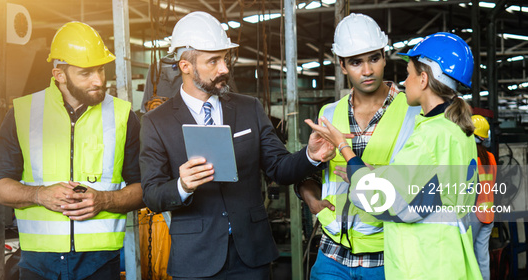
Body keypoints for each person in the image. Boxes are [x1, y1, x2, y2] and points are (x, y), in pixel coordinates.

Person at [139, 11, 335, 279]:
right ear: (185, 65)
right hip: (196, 258)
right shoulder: (156, 122)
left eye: (225, 58)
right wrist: (181, 185)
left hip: (251, 255)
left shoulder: (249, 108)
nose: (225, 69)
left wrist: (310, 156)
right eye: (213, 61)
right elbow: (151, 194)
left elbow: (279, 167)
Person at [307, 32, 482, 279]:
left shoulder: (429, 137)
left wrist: (344, 149)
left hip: (425, 261)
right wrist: (380, 173)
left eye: (409, 73)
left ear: (423, 79)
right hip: (444, 255)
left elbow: (380, 200)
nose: (404, 81)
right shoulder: (456, 130)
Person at [0, 22, 144, 280]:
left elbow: (144, 189)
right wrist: (39, 195)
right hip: (38, 263)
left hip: (101, 262)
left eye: (101, 70)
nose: (99, 80)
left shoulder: (123, 116)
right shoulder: (23, 113)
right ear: (59, 74)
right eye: (86, 73)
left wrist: (105, 200)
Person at [297, 13, 421, 280]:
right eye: (356, 62)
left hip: (385, 254)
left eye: (374, 58)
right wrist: (307, 192)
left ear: (385, 57)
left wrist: (379, 175)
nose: (367, 71)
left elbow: (422, 183)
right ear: (342, 66)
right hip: (332, 254)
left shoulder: (413, 114)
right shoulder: (328, 113)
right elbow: (316, 172)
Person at [471, 114, 497, 280]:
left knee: (469, 256)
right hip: (489, 214)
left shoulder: (470, 158)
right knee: (482, 258)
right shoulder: (492, 158)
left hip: (473, 214)